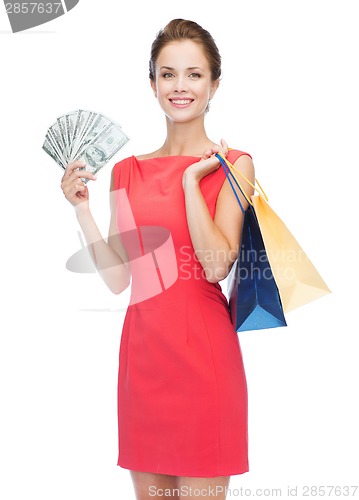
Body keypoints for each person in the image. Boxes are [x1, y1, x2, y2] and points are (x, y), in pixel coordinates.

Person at [61, 18, 255, 500]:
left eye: (194, 74)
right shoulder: (126, 171)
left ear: (213, 85)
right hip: (144, 363)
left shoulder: (235, 166)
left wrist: (192, 183)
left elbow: (215, 265)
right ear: (153, 85)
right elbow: (118, 279)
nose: (180, 86)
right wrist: (82, 209)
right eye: (168, 74)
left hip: (205, 364)